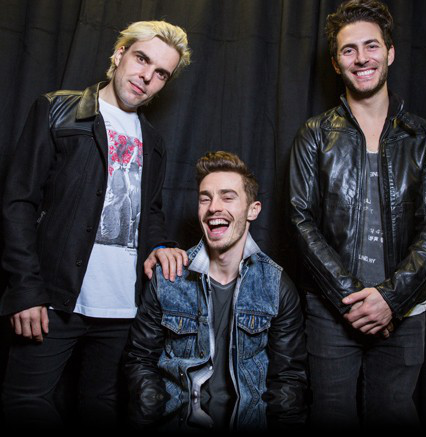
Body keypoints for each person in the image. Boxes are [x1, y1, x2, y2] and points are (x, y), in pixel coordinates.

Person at [1, 20, 191, 429]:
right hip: (54, 298)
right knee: (26, 401)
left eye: (161, 73)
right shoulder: (57, 109)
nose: (147, 76)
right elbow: (18, 202)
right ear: (120, 54)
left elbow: (150, 212)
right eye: (142, 59)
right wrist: (25, 288)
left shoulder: (153, 141)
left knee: (101, 404)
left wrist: (160, 245)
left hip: (123, 307)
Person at [289, 0, 426, 430]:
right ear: (336, 62)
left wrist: (391, 300)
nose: (362, 58)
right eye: (349, 50)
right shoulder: (315, 134)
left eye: (371, 46)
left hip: (405, 311)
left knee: (394, 413)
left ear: (390, 52)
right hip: (331, 310)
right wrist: (352, 298)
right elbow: (301, 220)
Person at [123, 151, 308, 432]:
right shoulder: (168, 277)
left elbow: (288, 382)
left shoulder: (276, 285)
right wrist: (151, 409)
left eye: (227, 197)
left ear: (253, 210)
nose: (213, 208)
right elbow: (139, 360)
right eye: (205, 198)